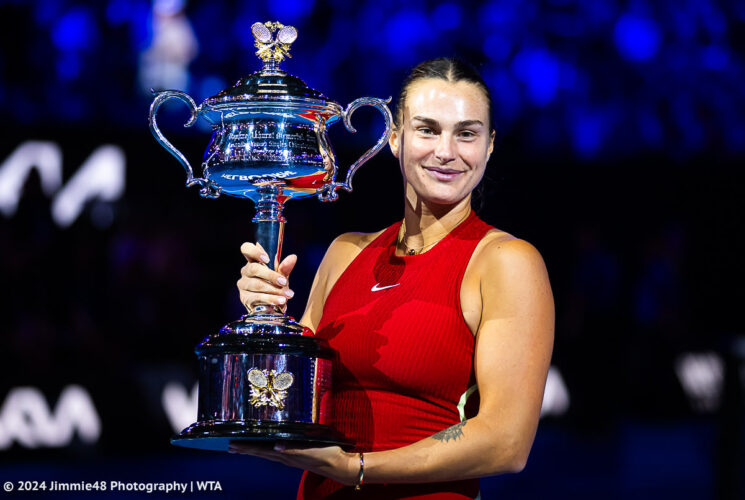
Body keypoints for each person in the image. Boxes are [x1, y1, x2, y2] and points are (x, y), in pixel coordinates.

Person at [231, 58, 554, 499]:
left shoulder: (505, 262)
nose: (446, 151)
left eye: (466, 133)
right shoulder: (346, 252)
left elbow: (507, 444)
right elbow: (280, 405)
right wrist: (264, 318)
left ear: (490, 145)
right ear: (394, 138)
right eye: (427, 129)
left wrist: (357, 467)